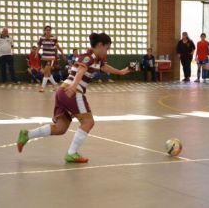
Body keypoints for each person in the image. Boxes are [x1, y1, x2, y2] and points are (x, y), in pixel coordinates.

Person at [16, 33, 132, 163]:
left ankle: (27, 134)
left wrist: (120, 72)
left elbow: (104, 67)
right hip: (72, 91)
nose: (107, 51)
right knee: (88, 122)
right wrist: (75, 85)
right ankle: (71, 153)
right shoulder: (89, 57)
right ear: (100, 45)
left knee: (61, 128)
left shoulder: (97, 59)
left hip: (62, 91)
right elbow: (81, 70)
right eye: (107, 48)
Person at [37, 26, 64, 92]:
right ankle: (55, 85)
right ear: (44, 31)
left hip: (51, 57)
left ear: (51, 31)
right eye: (47, 30)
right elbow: (39, 46)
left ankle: (42, 87)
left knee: (46, 72)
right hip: (44, 58)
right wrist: (36, 53)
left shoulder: (54, 38)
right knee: (48, 73)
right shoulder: (41, 38)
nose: (48, 31)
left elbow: (58, 46)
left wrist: (62, 53)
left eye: (49, 30)